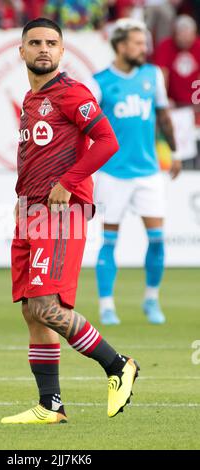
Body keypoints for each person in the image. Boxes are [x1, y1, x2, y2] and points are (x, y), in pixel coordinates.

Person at [1, 17, 139, 425]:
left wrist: (69, 181)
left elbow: (108, 140)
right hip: (32, 211)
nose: (43, 48)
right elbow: (35, 155)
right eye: (35, 42)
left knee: (47, 307)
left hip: (62, 212)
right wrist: (21, 199)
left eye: (51, 43)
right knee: (31, 309)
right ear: (21, 51)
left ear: (62, 52)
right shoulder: (30, 100)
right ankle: (50, 405)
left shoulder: (71, 93)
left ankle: (118, 365)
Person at [92, 18, 181, 326]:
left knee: (157, 240)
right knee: (109, 242)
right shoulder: (99, 81)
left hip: (147, 172)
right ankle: (106, 305)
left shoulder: (152, 75)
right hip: (112, 173)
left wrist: (176, 151)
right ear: (120, 45)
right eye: (139, 43)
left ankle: (151, 300)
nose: (145, 48)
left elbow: (164, 116)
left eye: (145, 43)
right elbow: (86, 127)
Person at [154, 15, 200, 107]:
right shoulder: (165, 46)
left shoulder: (198, 45)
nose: (186, 40)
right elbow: (162, 74)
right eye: (182, 36)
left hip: (195, 102)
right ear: (175, 34)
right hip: (173, 102)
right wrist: (164, 98)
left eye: (189, 36)